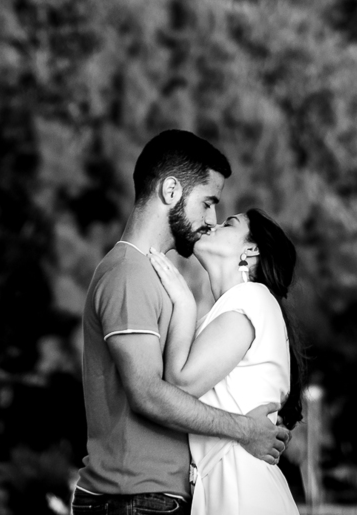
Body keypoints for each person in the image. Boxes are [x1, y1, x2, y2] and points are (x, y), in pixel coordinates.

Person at [74, 130, 290, 514]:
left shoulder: (159, 278)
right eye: (207, 203)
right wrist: (245, 429)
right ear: (171, 191)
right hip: (133, 497)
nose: (211, 219)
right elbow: (148, 392)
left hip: (156, 495)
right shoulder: (129, 274)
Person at [148, 208, 304, 515]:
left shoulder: (252, 298)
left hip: (242, 491)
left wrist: (183, 304)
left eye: (229, 223)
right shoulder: (238, 307)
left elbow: (180, 384)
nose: (212, 225)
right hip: (230, 485)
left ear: (251, 250)